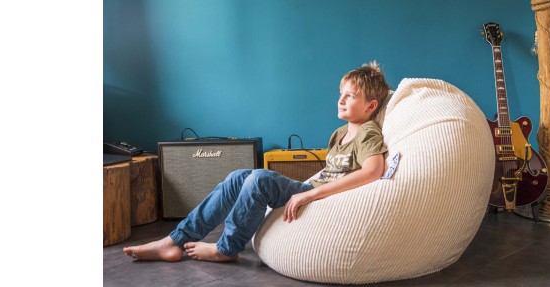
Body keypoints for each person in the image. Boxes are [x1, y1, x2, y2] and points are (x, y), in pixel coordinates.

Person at [122, 61, 391, 262]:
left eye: (351, 96)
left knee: (260, 179)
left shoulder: (367, 131)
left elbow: (374, 170)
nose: (341, 100)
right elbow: (330, 171)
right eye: (341, 93)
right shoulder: (340, 133)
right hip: (313, 190)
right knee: (240, 176)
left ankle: (227, 249)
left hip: (321, 197)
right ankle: (175, 240)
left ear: (370, 106)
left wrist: (309, 195)